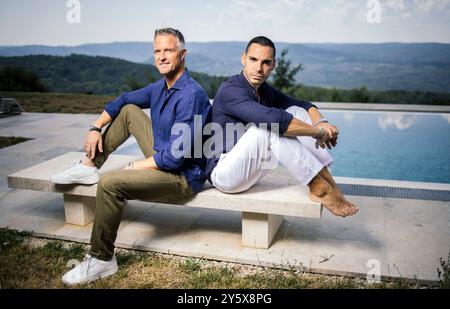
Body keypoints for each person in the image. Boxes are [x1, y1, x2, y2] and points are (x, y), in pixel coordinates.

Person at [51, 28, 211, 285]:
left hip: (183, 176)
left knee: (111, 183)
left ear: (182, 54)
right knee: (128, 111)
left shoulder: (191, 95)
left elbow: (175, 159)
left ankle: (102, 259)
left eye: (168, 50)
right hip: (164, 157)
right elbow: (124, 99)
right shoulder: (161, 87)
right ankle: (89, 165)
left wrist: (135, 166)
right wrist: (95, 128)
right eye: (157, 51)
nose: (161, 56)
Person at [205, 36, 359, 218]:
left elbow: (302, 104)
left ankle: (329, 182)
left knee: (294, 111)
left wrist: (321, 123)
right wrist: (319, 132)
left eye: (266, 63)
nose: (259, 68)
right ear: (243, 58)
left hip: (249, 168)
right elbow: (275, 121)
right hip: (224, 173)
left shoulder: (264, 90)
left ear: (273, 65)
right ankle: (318, 187)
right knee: (267, 128)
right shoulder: (230, 90)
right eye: (253, 60)